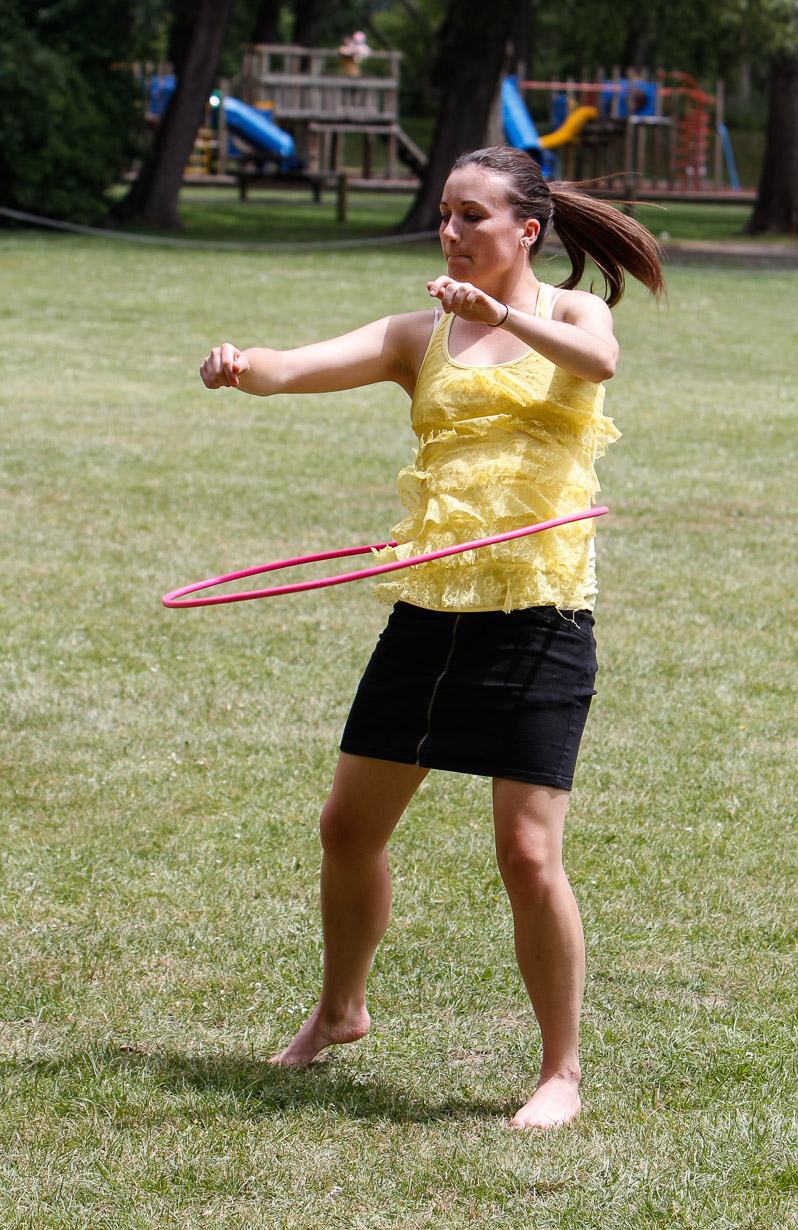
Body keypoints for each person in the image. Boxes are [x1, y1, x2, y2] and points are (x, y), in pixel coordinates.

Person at [200, 146, 665, 1130]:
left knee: (528, 856)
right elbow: (296, 367)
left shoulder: (572, 314)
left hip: (539, 615)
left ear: (526, 230)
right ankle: (340, 1009)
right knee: (346, 829)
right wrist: (242, 368)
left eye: (471, 216)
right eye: (445, 214)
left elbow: (599, 362)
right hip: (430, 610)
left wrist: (502, 314)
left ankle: (561, 1071)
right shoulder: (420, 334)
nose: (449, 232)